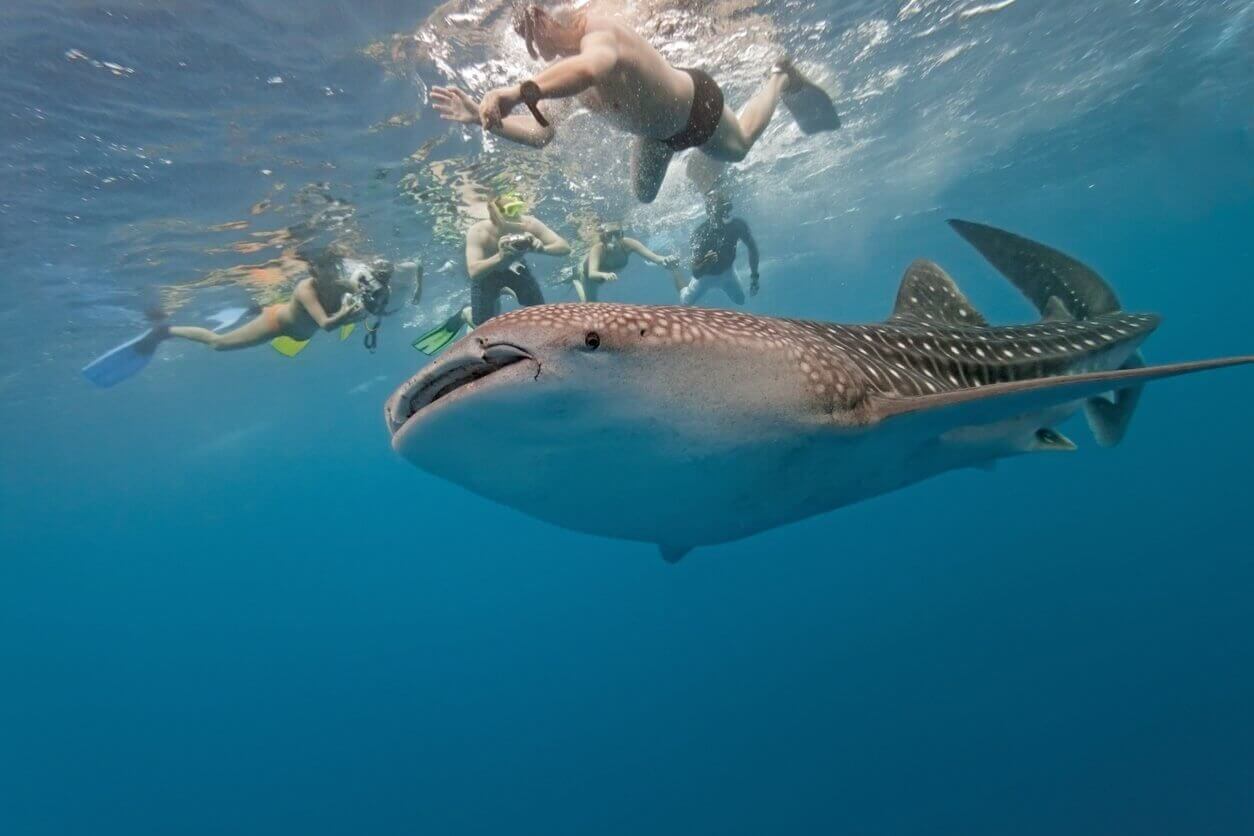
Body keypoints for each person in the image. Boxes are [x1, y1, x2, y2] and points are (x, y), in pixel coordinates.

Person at [430, 5, 839, 203]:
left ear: (556, 17)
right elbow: (541, 134)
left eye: (539, 36)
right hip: (656, 137)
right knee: (644, 196)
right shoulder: (558, 76)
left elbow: (592, 68)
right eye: (530, 43)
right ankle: (693, 158)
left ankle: (781, 75)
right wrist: (483, 121)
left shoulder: (598, 31)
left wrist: (516, 91)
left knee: (742, 145)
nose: (538, 49)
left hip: (696, 107)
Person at [82, 249, 393, 387]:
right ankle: (165, 331)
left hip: (296, 331)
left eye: (335, 271)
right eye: (326, 271)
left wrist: (373, 287)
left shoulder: (335, 280)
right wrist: (347, 312)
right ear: (315, 271)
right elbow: (326, 324)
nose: (332, 276)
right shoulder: (306, 288)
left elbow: (360, 285)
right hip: (276, 324)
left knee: (270, 311)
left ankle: (252, 307)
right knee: (218, 344)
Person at [413, 194, 570, 355]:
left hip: (515, 267)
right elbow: (474, 272)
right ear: (494, 214)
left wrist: (542, 248)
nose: (515, 216)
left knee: (541, 313)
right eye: (509, 211)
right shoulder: (479, 231)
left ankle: (506, 292)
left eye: (518, 209)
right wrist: (500, 257)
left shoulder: (529, 223)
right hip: (486, 275)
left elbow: (564, 247)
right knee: (484, 329)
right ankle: (466, 313)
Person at [679, 195, 759, 307]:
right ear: (710, 213)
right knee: (685, 302)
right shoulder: (700, 233)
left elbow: (752, 248)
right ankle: (674, 270)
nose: (725, 214)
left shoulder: (737, 225)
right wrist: (705, 264)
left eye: (726, 209)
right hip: (705, 278)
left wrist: (755, 276)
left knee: (740, 300)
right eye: (720, 211)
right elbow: (696, 272)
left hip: (728, 272)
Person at [572, 222, 681, 302]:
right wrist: (605, 275)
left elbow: (656, 258)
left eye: (617, 234)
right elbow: (592, 273)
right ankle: (576, 280)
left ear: (622, 234)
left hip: (607, 274)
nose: (614, 239)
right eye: (609, 235)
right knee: (590, 303)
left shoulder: (630, 244)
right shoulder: (598, 249)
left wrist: (666, 259)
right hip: (590, 276)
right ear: (604, 237)